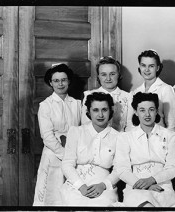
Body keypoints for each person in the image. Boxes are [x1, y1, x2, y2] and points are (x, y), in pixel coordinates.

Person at [115, 92, 175, 207]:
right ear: (135, 112)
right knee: (145, 205)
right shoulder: (125, 137)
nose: (147, 114)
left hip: (162, 184)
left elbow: (172, 168)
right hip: (135, 184)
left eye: (151, 109)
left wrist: (152, 180)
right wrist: (144, 184)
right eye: (142, 110)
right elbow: (122, 169)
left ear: (156, 111)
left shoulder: (170, 136)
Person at [33, 64, 81, 206]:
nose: (60, 84)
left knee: (72, 195)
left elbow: (81, 129)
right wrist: (64, 154)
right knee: (52, 195)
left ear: (69, 81)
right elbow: (47, 136)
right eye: (56, 80)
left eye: (64, 80)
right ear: (50, 83)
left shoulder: (77, 104)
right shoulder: (46, 105)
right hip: (54, 154)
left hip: (75, 154)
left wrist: (72, 155)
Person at [60, 92, 119, 206]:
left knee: (105, 204)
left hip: (104, 185)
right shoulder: (76, 132)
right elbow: (67, 164)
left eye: (104, 110)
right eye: (95, 110)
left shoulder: (118, 137)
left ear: (110, 111)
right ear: (88, 112)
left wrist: (103, 185)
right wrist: (80, 186)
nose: (100, 114)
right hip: (76, 184)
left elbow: (120, 169)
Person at [131, 49, 175, 132]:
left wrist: (166, 142)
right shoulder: (135, 91)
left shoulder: (166, 89)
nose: (146, 70)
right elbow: (132, 122)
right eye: (143, 65)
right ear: (139, 67)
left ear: (157, 68)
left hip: (160, 139)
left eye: (151, 66)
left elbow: (172, 123)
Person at [81, 56, 131, 132]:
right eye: (103, 74)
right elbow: (85, 125)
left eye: (112, 74)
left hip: (121, 140)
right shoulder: (89, 95)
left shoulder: (128, 97)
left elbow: (130, 126)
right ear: (98, 76)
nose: (108, 78)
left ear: (118, 75)